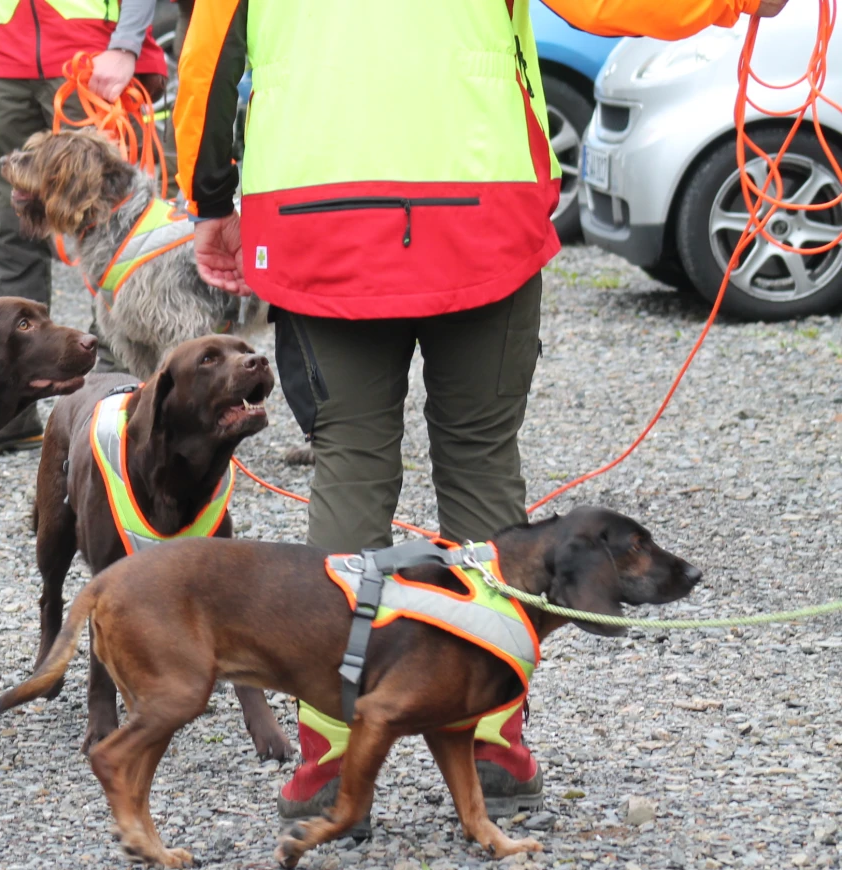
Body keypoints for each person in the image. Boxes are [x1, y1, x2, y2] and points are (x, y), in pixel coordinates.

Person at [177, 0, 789, 826]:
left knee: (351, 464)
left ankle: (325, 750)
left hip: (314, 215)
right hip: (479, 204)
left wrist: (210, 194)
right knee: (480, 462)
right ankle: (495, 733)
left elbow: (211, 56)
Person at [0, 0, 169, 453]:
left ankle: (112, 396)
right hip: (2, 60)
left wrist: (125, 46)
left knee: (122, 236)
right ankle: (14, 406)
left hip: (91, 57)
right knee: (12, 233)